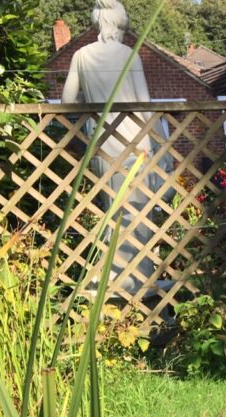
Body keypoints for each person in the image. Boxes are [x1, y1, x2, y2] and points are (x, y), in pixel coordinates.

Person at [62, 0, 166, 297]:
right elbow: (145, 106)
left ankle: (112, 280)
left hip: (103, 142)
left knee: (113, 209)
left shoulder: (81, 56)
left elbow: (69, 103)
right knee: (138, 211)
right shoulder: (130, 56)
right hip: (136, 141)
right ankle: (136, 282)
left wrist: (89, 102)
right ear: (119, 25)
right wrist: (160, 146)